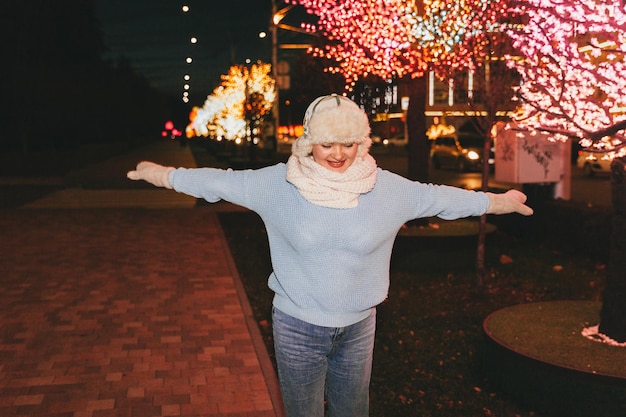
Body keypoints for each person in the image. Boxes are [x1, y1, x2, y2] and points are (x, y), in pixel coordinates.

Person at [127, 94, 533, 417]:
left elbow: (441, 198)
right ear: (308, 142)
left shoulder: (387, 188)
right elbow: (218, 183)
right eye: (326, 144)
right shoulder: (278, 184)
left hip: (360, 327)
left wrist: (498, 202)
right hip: (297, 326)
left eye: (349, 143)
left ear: (363, 141)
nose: (338, 154)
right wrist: (163, 175)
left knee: (353, 412)